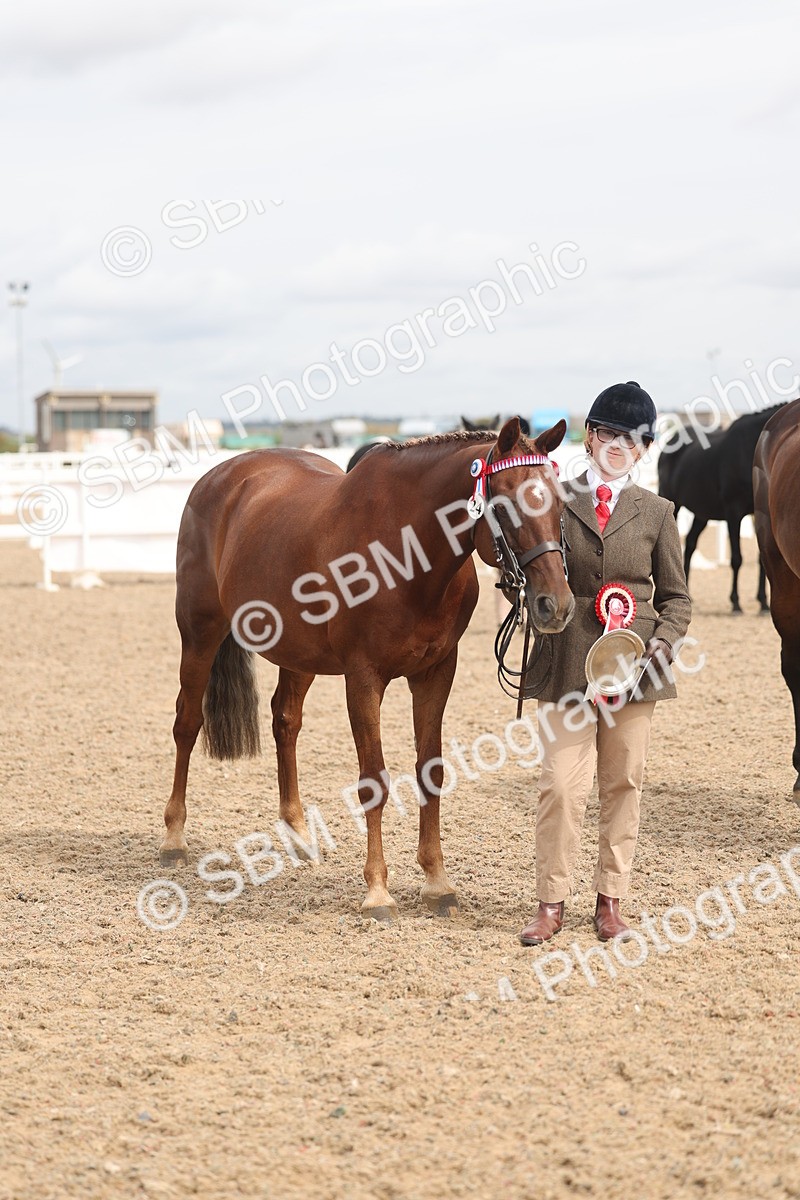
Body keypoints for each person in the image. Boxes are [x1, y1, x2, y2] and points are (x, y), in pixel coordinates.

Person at [519, 381, 692, 945]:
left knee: (623, 785)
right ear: (591, 437)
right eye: (609, 433)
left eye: (632, 438)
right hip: (567, 665)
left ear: (643, 448)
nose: (619, 445)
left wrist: (660, 647)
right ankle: (550, 903)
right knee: (560, 788)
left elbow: (677, 598)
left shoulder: (659, 513)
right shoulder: (554, 499)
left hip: (635, 671)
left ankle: (610, 903)